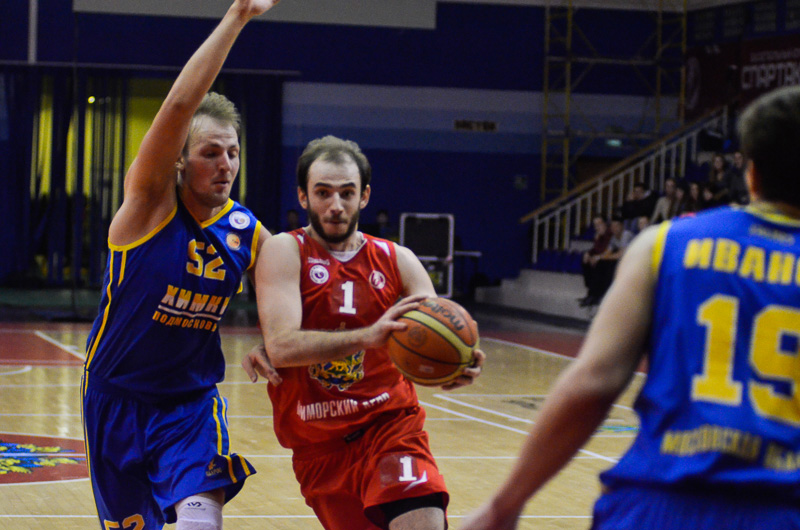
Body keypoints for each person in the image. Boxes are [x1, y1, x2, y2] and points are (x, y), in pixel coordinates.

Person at [461, 85, 800, 530]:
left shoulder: (665, 243)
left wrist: (505, 504)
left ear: (751, 173)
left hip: (658, 505)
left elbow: (593, 382)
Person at [81, 1, 282, 528]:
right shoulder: (148, 204)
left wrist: (278, 339)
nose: (225, 165)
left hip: (189, 405)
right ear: (179, 160)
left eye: (233, 153)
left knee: (200, 520)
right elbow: (177, 106)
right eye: (210, 153)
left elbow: (295, 293)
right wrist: (238, 16)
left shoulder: (248, 233)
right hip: (115, 399)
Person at [242, 135, 485, 530]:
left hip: (391, 428)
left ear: (365, 196)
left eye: (347, 192)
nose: (336, 205)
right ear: (303, 196)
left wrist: (458, 364)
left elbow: (438, 326)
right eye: (323, 192)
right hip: (319, 447)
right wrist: (368, 336)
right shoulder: (285, 250)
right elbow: (282, 345)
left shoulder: (398, 259)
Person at [579, 215, 611, 307]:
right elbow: (595, 249)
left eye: (599, 224)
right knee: (585, 260)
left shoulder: (610, 234)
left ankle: (596, 294)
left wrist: (597, 257)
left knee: (598, 264)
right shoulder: (599, 235)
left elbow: (606, 250)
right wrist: (588, 254)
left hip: (609, 260)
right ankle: (591, 292)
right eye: (595, 225)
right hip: (601, 257)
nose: (597, 227)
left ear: (605, 224)